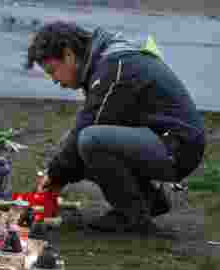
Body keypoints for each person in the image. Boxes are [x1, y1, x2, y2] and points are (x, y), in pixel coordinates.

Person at [26, 22, 206, 234]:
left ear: (68, 54)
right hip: (161, 139)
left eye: (52, 71)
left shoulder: (114, 68)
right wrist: (59, 173)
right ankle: (148, 201)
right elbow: (84, 130)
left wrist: (55, 176)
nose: (54, 80)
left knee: (90, 141)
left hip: (178, 146)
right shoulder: (107, 61)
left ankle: (131, 216)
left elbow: (90, 127)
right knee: (79, 142)